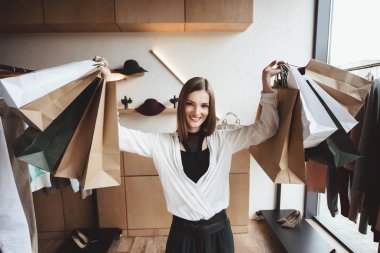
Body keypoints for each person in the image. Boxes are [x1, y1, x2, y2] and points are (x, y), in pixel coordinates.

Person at [94, 56, 281, 253]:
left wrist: (266, 82)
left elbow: (267, 128)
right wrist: (107, 83)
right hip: (182, 238)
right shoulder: (160, 144)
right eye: (190, 103)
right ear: (182, 105)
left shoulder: (224, 141)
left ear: (210, 109)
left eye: (204, 106)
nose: (197, 111)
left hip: (219, 237)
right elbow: (117, 135)